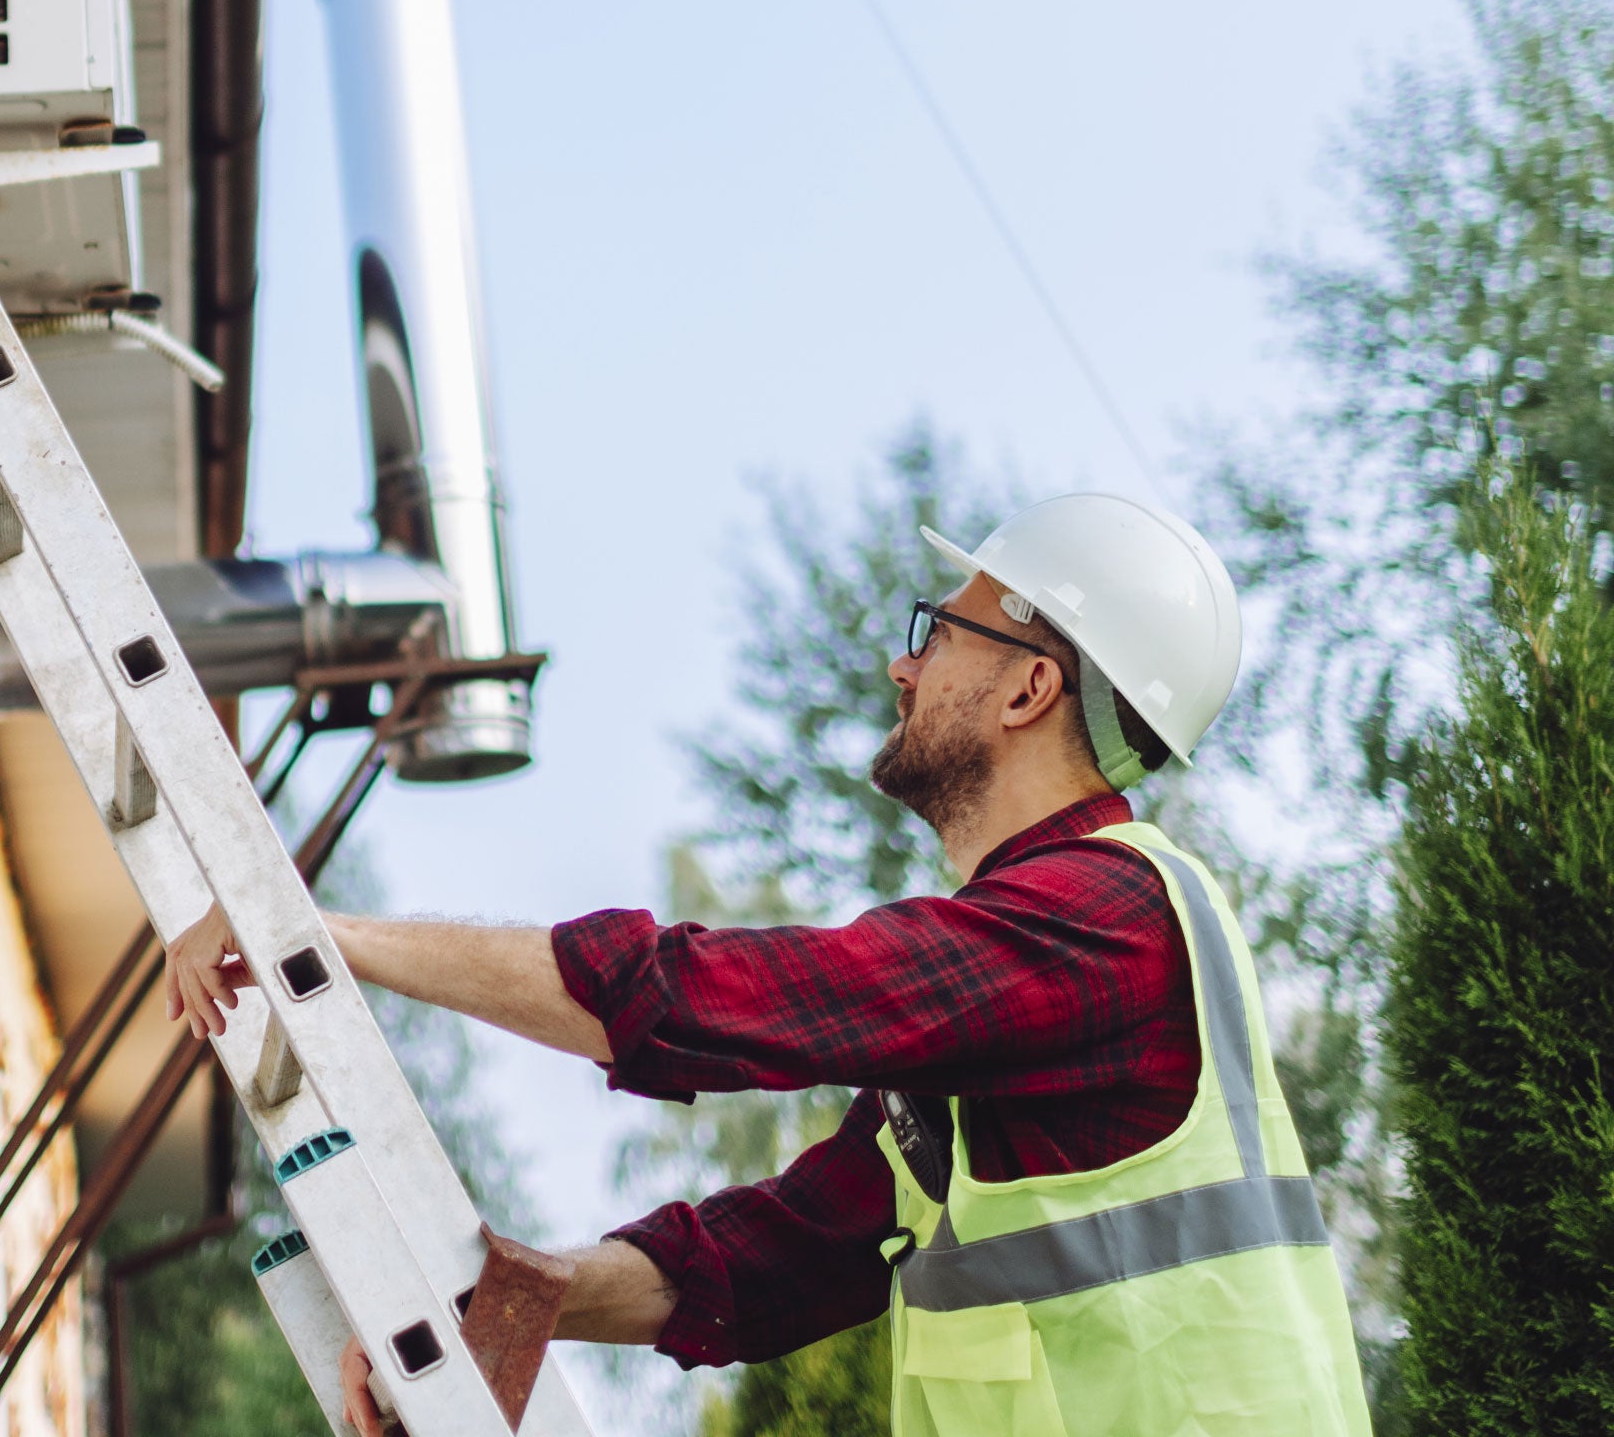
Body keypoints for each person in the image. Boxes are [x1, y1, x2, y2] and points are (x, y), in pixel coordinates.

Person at [164, 494, 1374, 1437]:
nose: (904, 668)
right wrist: (515, 1301)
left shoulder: (1102, 919)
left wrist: (323, 939)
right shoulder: (1023, 995)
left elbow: (732, 1003)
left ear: (1030, 684)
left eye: (937, 632)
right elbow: (784, 1252)